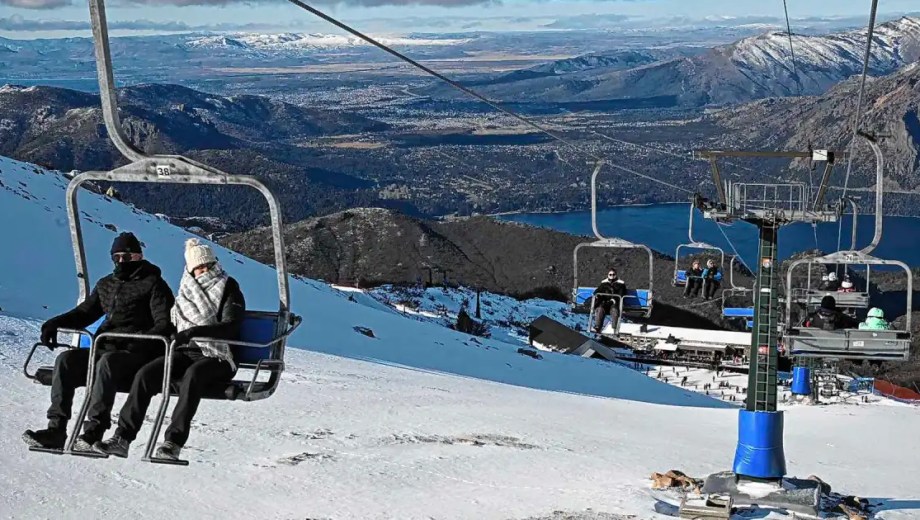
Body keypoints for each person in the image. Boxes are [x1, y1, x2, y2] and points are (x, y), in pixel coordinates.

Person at [94, 238, 245, 461]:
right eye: (197, 269)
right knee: (146, 374)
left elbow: (230, 327)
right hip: (185, 352)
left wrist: (196, 332)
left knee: (193, 376)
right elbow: (174, 321)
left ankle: (172, 442)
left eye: (206, 267)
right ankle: (122, 438)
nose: (202, 273)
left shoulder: (228, 288)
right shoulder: (186, 291)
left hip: (218, 355)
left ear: (214, 265)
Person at [22, 233, 174, 450]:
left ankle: (94, 430)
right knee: (67, 359)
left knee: (108, 362)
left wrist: (138, 341)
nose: (122, 262)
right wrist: (54, 323)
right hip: (105, 348)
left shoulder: (154, 285)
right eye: (117, 257)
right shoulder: (107, 285)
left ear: (138, 256)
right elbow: (85, 313)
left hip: (136, 353)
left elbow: (163, 323)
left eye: (127, 257)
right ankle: (56, 429)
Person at [592, 268, 627, 333]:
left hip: (615, 303)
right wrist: (598, 296)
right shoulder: (604, 283)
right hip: (605, 303)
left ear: (616, 275)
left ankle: (614, 328)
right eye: (610, 274)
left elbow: (621, 294)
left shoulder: (620, 284)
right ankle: (597, 327)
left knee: (614, 310)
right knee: (600, 309)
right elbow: (597, 291)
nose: (612, 276)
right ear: (608, 275)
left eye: (613, 274)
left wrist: (613, 300)